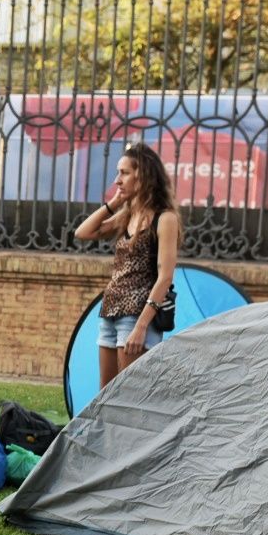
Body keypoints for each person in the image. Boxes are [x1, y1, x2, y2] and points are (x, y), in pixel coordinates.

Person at [73, 141, 181, 388]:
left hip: (136, 315)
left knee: (129, 393)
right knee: (106, 393)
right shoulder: (127, 215)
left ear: (142, 175)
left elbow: (165, 277)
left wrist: (141, 327)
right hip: (110, 311)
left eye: (124, 173)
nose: (117, 180)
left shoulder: (165, 219)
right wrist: (114, 203)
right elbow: (83, 232)